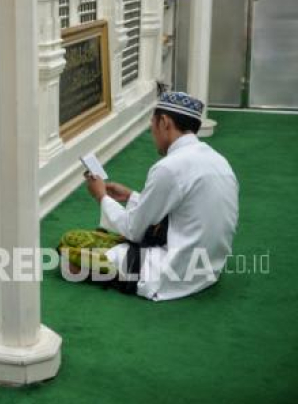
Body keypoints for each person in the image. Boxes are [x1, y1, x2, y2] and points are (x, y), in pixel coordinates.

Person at [58, 91, 239, 301]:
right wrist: (132, 196)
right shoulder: (219, 161)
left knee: (68, 252)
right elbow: (183, 206)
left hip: (174, 274)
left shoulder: (169, 167)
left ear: (164, 122)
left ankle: (117, 276)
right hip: (209, 270)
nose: (151, 130)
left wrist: (101, 197)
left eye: (152, 123)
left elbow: (134, 230)